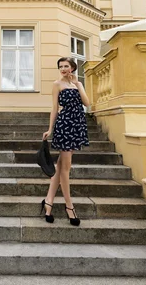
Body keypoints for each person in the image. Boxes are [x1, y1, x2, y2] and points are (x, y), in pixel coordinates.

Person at [41, 57, 90, 226]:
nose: (63, 69)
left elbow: (87, 103)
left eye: (66, 66)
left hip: (77, 125)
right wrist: (50, 128)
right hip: (65, 126)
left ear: (73, 68)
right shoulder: (57, 85)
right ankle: (69, 206)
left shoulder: (78, 84)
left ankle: (48, 202)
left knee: (61, 166)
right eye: (60, 66)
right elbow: (54, 108)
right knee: (65, 169)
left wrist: (78, 84)